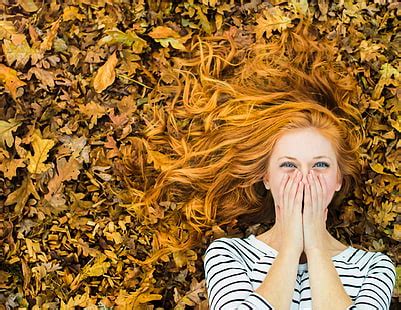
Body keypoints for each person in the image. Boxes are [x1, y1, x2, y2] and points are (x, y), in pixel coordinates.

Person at [203, 107, 397, 309]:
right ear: (267, 177)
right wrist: (290, 248)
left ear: (338, 179)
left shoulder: (374, 268)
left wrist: (316, 248)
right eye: (289, 165)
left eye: (320, 165)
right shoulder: (228, 255)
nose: (304, 179)